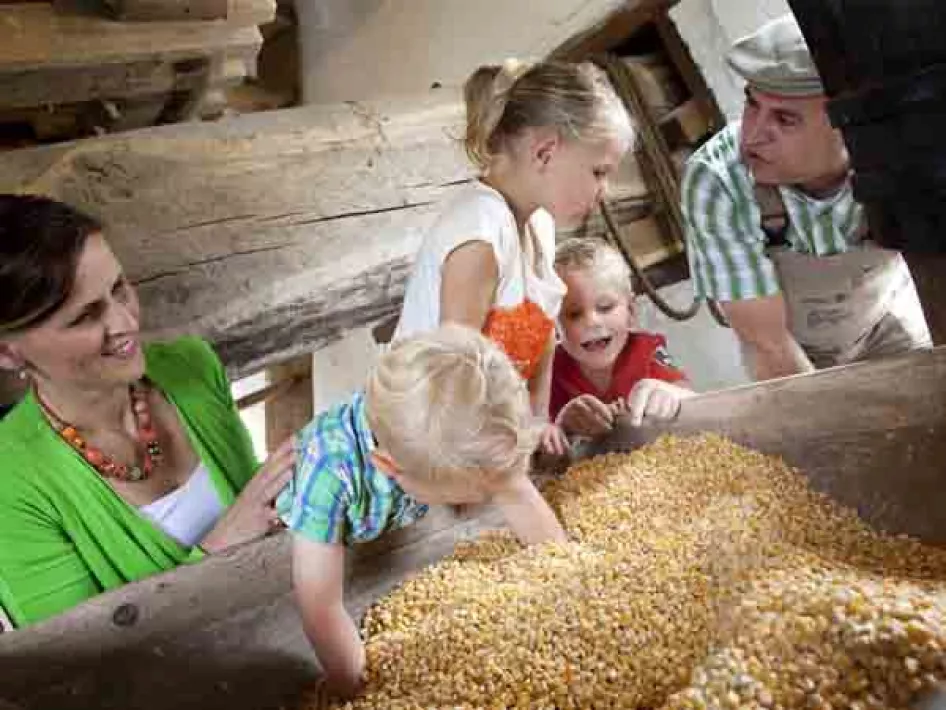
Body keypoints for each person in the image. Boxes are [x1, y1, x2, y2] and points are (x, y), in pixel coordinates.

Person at [0, 194, 295, 628]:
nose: (125, 323)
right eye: (85, 316)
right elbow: (75, 666)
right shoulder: (12, 484)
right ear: (8, 353)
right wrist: (218, 551)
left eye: (119, 288)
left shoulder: (190, 367)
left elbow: (256, 504)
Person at [277, 324, 567, 697]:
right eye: (468, 495)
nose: (482, 501)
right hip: (296, 526)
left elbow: (514, 490)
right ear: (389, 467)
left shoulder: (451, 429)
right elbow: (320, 606)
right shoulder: (329, 474)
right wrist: (354, 686)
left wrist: (561, 570)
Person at [395, 59, 635, 454]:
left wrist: (536, 424)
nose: (604, 190)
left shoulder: (538, 225)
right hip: (420, 450)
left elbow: (537, 339)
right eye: (598, 171)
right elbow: (456, 385)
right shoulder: (479, 234)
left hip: (481, 444)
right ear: (545, 152)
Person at [682, 14, 932, 381]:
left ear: (846, 126)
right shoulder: (716, 179)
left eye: (784, 120)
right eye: (752, 104)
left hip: (889, 324)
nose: (752, 136)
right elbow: (769, 343)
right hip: (791, 351)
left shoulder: (903, 153)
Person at [551, 238, 692, 439]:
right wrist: (562, 424)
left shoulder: (646, 352)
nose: (592, 322)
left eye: (605, 307)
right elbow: (537, 439)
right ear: (553, 325)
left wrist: (670, 394)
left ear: (631, 311)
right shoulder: (550, 370)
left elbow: (693, 400)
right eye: (574, 314)